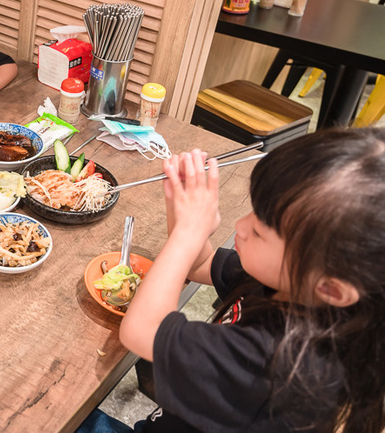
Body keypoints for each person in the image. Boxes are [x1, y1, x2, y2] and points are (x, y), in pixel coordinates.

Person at [80, 128, 385, 432]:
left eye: (261, 232)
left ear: (331, 287)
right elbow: (200, 264)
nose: (241, 225)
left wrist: (189, 232)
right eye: (256, 212)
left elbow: (140, 331)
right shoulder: (289, 284)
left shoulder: (279, 363)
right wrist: (181, 204)